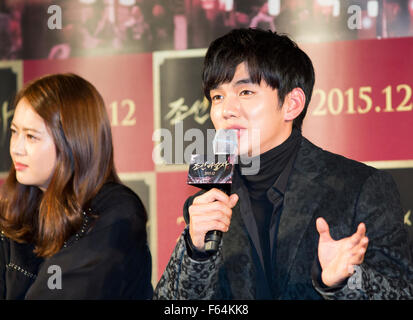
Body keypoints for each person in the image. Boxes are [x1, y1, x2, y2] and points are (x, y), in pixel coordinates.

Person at [154, 28, 413, 300]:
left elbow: (402, 293)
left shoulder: (361, 187)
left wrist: (343, 280)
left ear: (292, 104)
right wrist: (196, 252)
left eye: (244, 92)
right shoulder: (211, 201)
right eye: (217, 96)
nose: (225, 110)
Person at [0, 73, 153, 299]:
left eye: (31, 136)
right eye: (14, 132)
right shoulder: (17, 211)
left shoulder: (116, 211)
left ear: (73, 142)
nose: (16, 148)